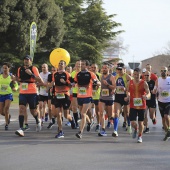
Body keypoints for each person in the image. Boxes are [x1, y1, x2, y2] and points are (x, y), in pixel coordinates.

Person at [15, 55, 43, 137]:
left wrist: (31, 74)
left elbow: (39, 80)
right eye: (25, 60)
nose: (26, 61)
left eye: (27, 60)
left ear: (31, 61)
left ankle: (37, 120)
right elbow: (19, 79)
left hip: (32, 92)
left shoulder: (34, 68)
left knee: (33, 111)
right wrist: (15, 79)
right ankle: (21, 128)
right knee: (21, 109)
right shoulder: (20, 69)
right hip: (23, 92)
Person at [75, 60, 101, 139]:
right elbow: (74, 83)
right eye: (81, 64)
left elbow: (98, 82)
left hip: (88, 96)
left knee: (83, 114)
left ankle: (80, 132)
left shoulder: (91, 74)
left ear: (86, 66)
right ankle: (90, 122)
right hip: (79, 96)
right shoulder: (78, 74)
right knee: (82, 114)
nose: (81, 66)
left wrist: (97, 83)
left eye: (83, 64)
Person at [50, 60, 75, 138]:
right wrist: (49, 87)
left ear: (65, 66)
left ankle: (71, 120)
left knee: (65, 115)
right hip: (57, 95)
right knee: (58, 114)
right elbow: (52, 82)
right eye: (59, 64)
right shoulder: (55, 74)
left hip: (65, 94)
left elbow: (72, 85)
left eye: (62, 64)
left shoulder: (67, 74)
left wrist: (65, 82)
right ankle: (60, 131)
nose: (60, 65)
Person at [125, 68, 150, 143]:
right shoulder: (130, 82)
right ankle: (136, 128)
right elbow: (127, 91)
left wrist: (147, 96)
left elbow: (149, 93)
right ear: (133, 75)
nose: (136, 76)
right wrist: (127, 96)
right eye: (134, 74)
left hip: (142, 105)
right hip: (133, 105)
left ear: (140, 75)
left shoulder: (144, 83)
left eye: (137, 75)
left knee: (141, 122)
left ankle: (140, 136)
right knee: (133, 122)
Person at [113, 63, 132, 137]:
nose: (119, 71)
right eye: (118, 69)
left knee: (126, 113)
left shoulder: (127, 77)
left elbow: (131, 88)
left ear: (124, 69)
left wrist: (126, 91)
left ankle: (129, 125)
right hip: (118, 96)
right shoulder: (116, 76)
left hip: (125, 96)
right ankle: (115, 130)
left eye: (121, 69)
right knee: (116, 113)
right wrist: (113, 89)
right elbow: (115, 86)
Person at [98, 64, 116, 136]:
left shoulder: (111, 77)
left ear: (108, 69)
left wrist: (108, 84)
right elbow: (99, 85)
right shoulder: (101, 76)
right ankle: (103, 129)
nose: (104, 69)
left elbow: (114, 87)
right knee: (101, 113)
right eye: (103, 68)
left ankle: (111, 119)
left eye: (105, 68)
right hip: (102, 97)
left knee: (110, 114)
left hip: (110, 98)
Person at [0, 62, 18, 130]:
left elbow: (16, 85)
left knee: (6, 108)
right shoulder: (0, 76)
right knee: (1, 112)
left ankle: (6, 124)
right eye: (3, 68)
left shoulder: (11, 76)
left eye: (6, 68)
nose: (4, 69)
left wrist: (15, 88)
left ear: (9, 68)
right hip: (1, 95)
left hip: (8, 95)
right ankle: (8, 116)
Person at [154, 66, 170, 141]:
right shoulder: (158, 80)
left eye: (164, 70)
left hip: (168, 101)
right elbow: (155, 88)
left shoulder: (169, 79)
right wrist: (154, 91)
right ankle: (167, 132)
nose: (163, 72)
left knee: (166, 116)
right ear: (160, 72)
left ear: (167, 72)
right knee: (163, 119)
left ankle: (169, 129)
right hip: (160, 101)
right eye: (162, 70)